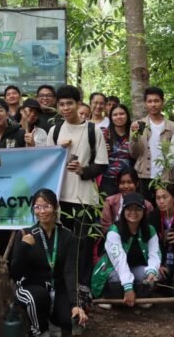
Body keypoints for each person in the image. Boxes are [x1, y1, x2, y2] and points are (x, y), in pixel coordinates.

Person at [46, 85, 108, 285]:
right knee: (60, 244)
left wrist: (83, 170)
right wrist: (57, 150)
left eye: (69, 103)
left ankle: (82, 287)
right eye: (61, 104)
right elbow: (45, 163)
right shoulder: (55, 131)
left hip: (84, 198)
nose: (65, 108)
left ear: (79, 104)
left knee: (84, 246)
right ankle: (62, 286)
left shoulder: (93, 130)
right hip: (60, 197)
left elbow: (101, 164)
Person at [10, 188, 90, 337]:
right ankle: (39, 330)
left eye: (46, 206)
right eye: (37, 207)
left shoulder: (68, 236)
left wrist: (74, 305)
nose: (42, 211)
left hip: (57, 288)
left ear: (55, 208)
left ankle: (54, 320)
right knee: (38, 297)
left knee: (71, 320)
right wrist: (24, 247)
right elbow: (15, 272)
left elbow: (70, 271)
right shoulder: (25, 234)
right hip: (31, 285)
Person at [92, 192, 160, 309]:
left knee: (150, 276)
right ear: (123, 211)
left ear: (143, 211)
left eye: (138, 209)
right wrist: (128, 287)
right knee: (117, 279)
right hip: (113, 269)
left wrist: (152, 272)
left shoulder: (149, 230)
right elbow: (119, 260)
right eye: (129, 208)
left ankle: (139, 297)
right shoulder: (114, 230)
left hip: (135, 268)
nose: (133, 212)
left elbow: (155, 254)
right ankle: (108, 297)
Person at [130, 86, 174, 203]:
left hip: (166, 176)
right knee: (146, 208)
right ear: (145, 104)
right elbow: (134, 153)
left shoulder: (173, 127)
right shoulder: (139, 125)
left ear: (162, 102)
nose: (153, 104)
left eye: (156, 101)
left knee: (165, 208)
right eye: (149, 101)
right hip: (145, 175)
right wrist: (134, 137)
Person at [147, 185, 174, 290]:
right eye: (158, 198)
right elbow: (150, 244)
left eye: (165, 197)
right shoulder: (153, 216)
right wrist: (159, 265)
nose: (161, 201)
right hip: (162, 260)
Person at [99, 169, 153, 238]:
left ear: (137, 183)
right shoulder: (110, 202)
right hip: (114, 238)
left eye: (129, 182)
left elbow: (148, 227)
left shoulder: (147, 205)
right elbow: (105, 226)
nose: (126, 186)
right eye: (122, 183)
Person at [100, 104, 134, 197]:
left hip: (128, 181)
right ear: (110, 117)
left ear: (127, 115)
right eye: (115, 115)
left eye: (122, 114)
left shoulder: (134, 134)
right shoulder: (103, 133)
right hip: (107, 180)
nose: (118, 117)